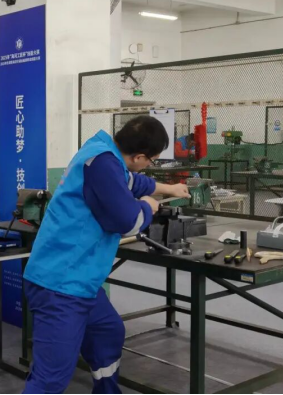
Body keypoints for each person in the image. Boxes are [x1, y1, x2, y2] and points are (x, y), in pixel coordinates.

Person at [22, 116, 191, 395]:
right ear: (139, 157)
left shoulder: (102, 152)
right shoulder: (103, 164)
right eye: (151, 160)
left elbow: (131, 181)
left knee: (108, 332)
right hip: (61, 285)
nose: (149, 165)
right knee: (51, 378)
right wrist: (148, 207)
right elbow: (128, 221)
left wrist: (168, 189)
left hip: (81, 281)